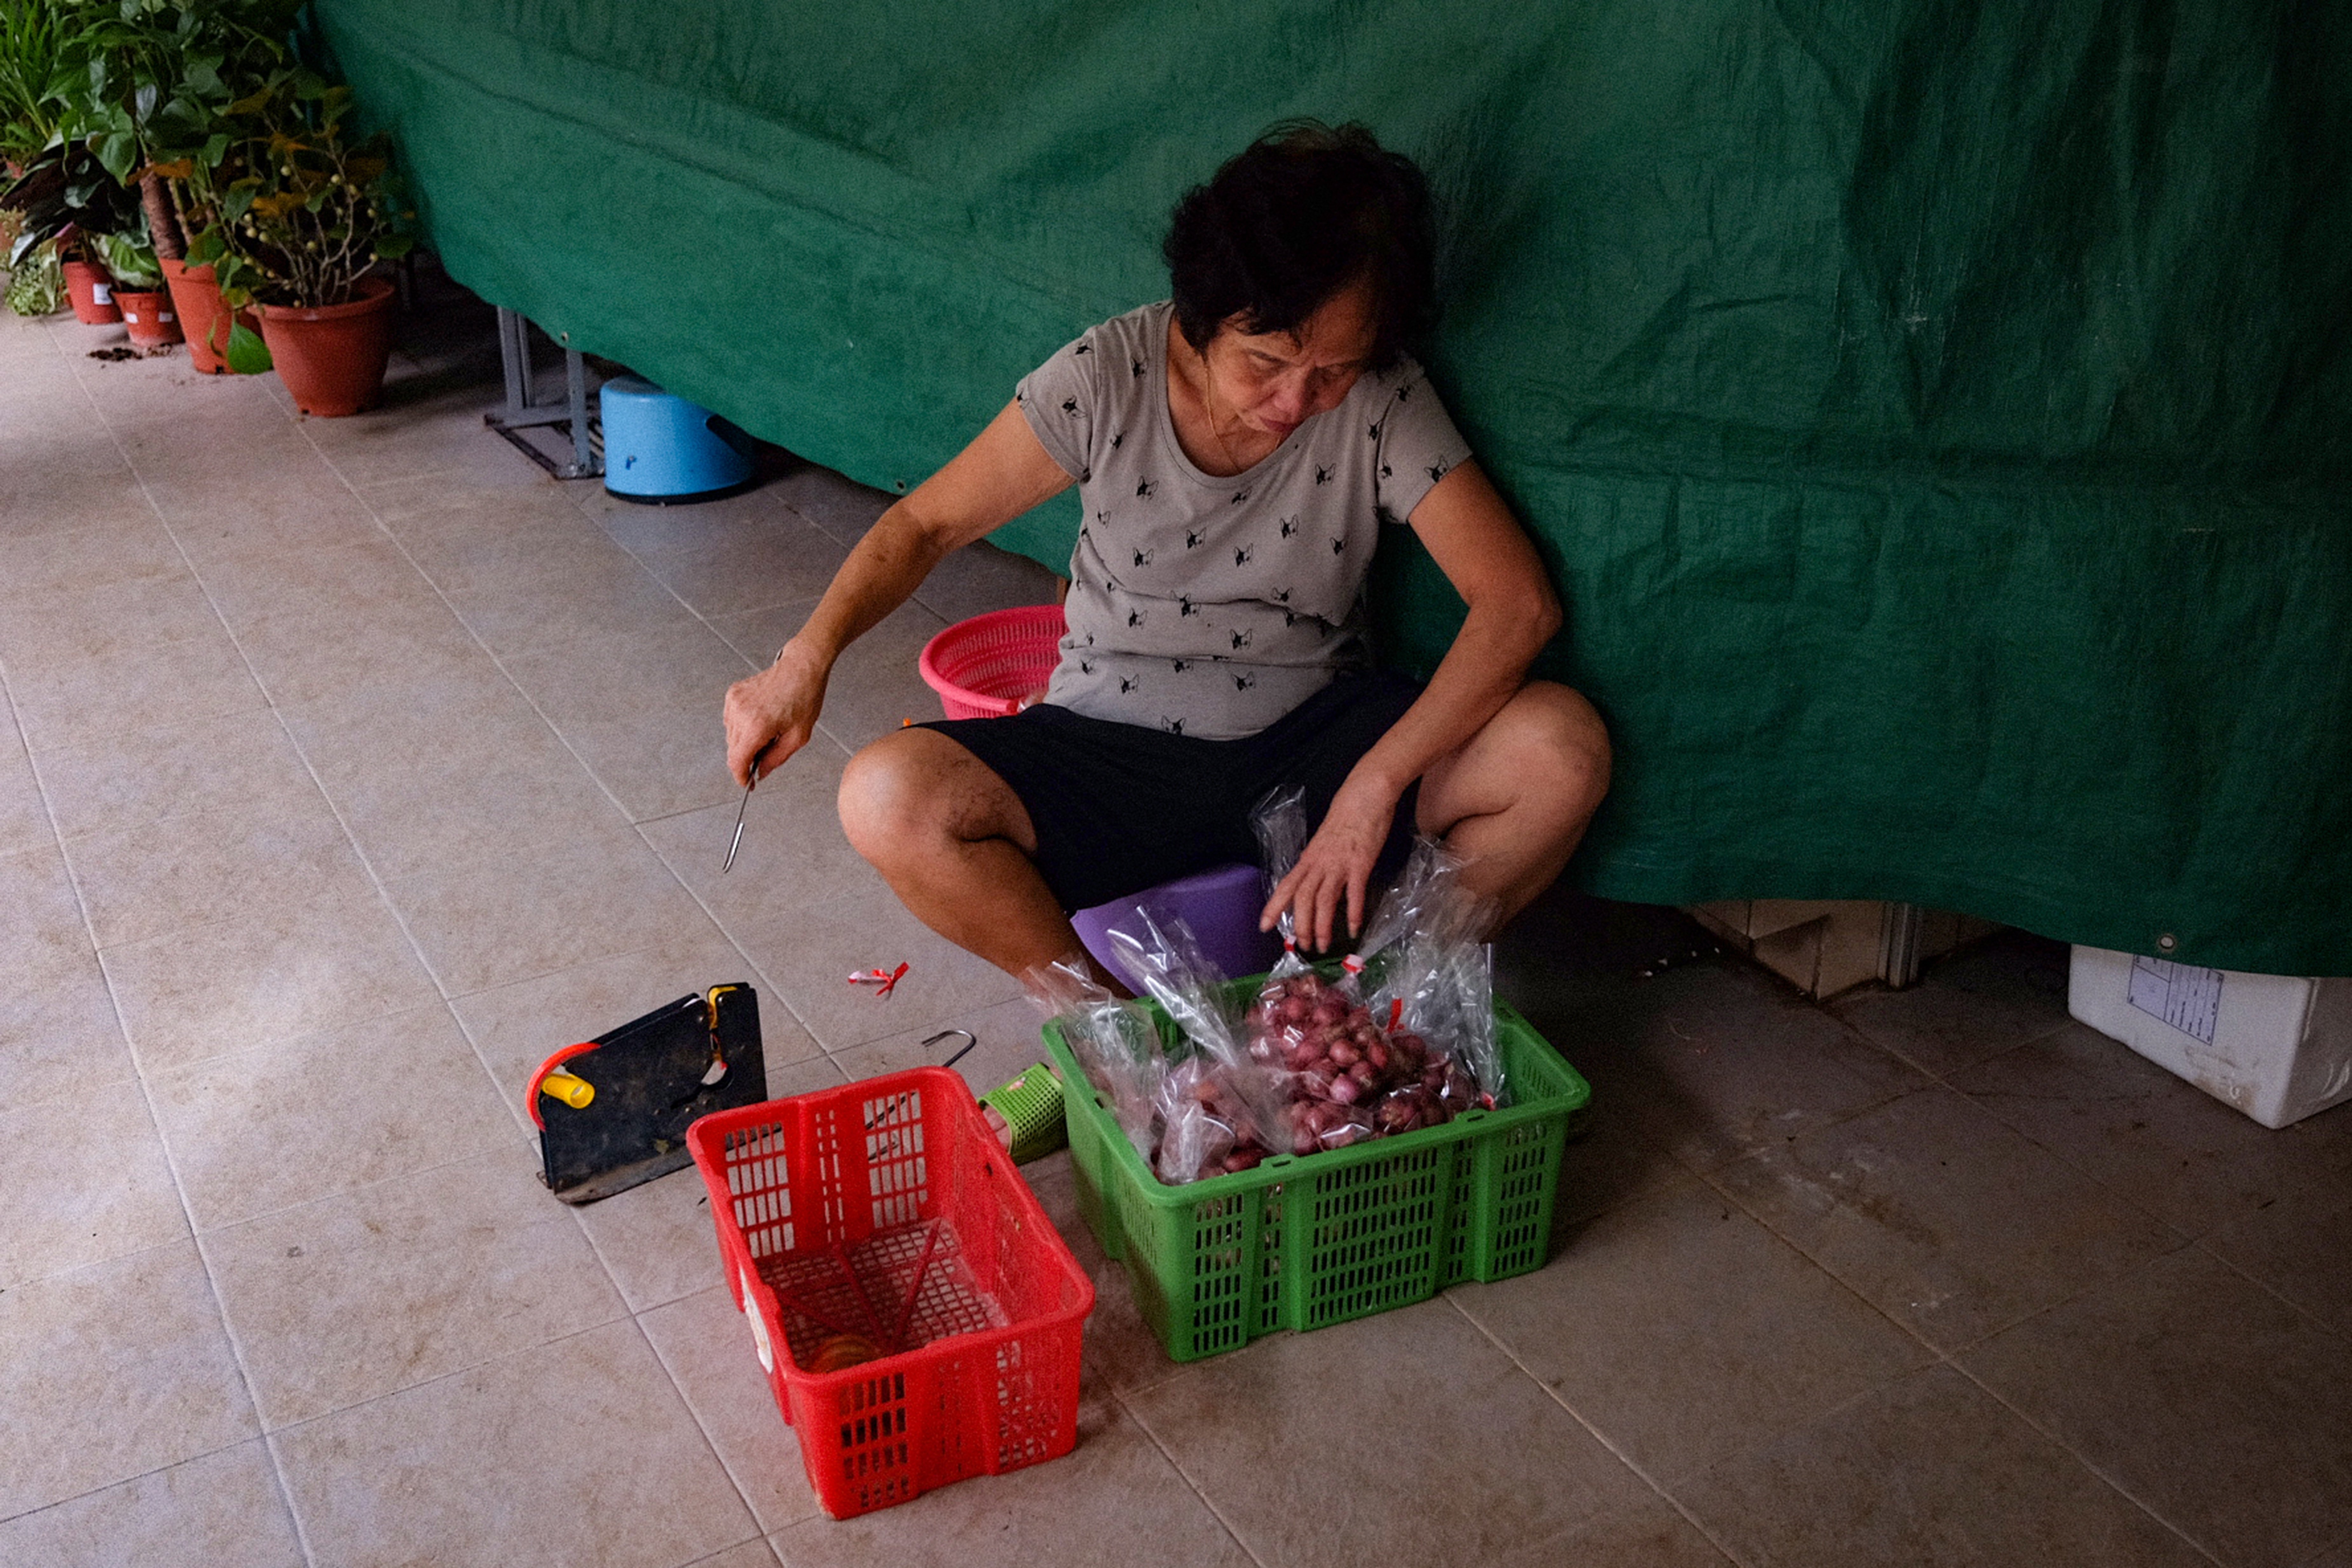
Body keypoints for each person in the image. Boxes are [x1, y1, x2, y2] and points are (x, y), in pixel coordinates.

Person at [722, 120, 1610, 988]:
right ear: (1201, 317)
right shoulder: (1108, 377)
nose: (1299, 399)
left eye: (1334, 370)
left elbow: (1517, 604)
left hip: (1310, 745)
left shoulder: (1382, 397)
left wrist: (1375, 785)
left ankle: (1369, 1004)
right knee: (884, 796)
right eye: (1265, 361)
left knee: (1561, 749)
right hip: (1107, 753)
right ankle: (1108, 1040)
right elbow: (925, 527)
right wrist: (803, 662)